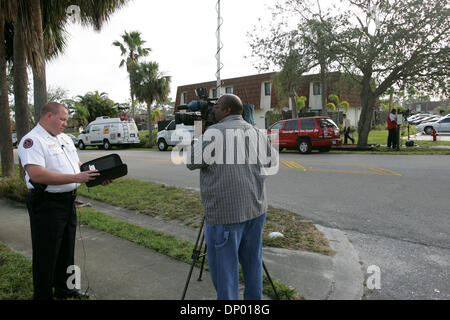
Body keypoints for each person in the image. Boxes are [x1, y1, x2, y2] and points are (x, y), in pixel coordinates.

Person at [186, 94, 277, 300]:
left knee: (225, 272)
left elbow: (191, 160)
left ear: (227, 110)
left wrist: (199, 134)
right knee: (253, 264)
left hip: (225, 216)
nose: (213, 110)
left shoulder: (214, 133)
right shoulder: (256, 131)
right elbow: (270, 161)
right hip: (256, 211)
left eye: (217, 107)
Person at [18, 102, 111, 300]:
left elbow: (76, 165)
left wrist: (96, 176)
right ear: (48, 117)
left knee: (67, 249)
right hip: (46, 203)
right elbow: (37, 175)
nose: (65, 123)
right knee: (46, 253)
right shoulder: (32, 140)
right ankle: (43, 296)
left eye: (66, 120)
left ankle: (66, 289)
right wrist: (76, 178)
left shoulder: (65, 139)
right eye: (62, 119)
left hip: (68, 201)